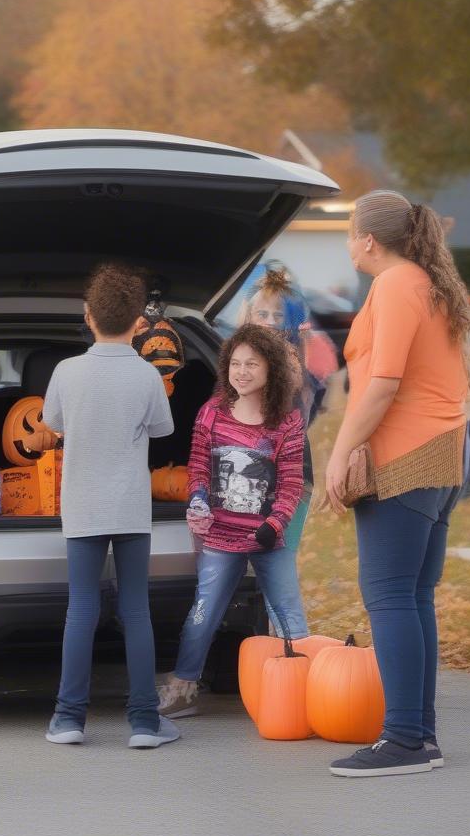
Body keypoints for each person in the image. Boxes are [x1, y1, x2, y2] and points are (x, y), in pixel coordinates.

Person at [323, 190, 470, 778]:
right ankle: (419, 735)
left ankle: (406, 739)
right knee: (412, 598)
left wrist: (339, 453)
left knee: (388, 596)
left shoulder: (395, 284)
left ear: (367, 239)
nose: (347, 242)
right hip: (439, 455)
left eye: (349, 231)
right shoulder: (426, 282)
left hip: (406, 458)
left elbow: (383, 383)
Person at [42, 263, 179, 749]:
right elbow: (163, 430)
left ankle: (68, 718)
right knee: (135, 610)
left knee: (81, 609)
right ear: (139, 321)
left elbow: (52, 422)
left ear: (87, 315)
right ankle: (144, 722)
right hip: (129, 509)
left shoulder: (65, 372)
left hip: (81, 506)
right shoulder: (145, 376)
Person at [157, 324, 305, 719]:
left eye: (252, 364)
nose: (242, 372)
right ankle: (185, 687)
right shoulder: (212, 412)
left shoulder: (287, 422)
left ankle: (304, 688)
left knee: (288, 612)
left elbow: (291, 482)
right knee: (202, 614)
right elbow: (198, 466)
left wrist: (276, 524)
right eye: (236, 364)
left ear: (270, 369)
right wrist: (199, 498)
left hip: (268, 536)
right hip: (220, 535)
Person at [234, 262, 337, 636]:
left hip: (287, 480)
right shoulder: (248, 356)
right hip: (258, 477)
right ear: (247, 312)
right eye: (261, 312)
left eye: (278, 315)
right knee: (268, 570)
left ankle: (293, 649)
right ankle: (282, 650)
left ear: (291, 321)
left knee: (277, 566)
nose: (269, 321)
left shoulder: (288, 362)